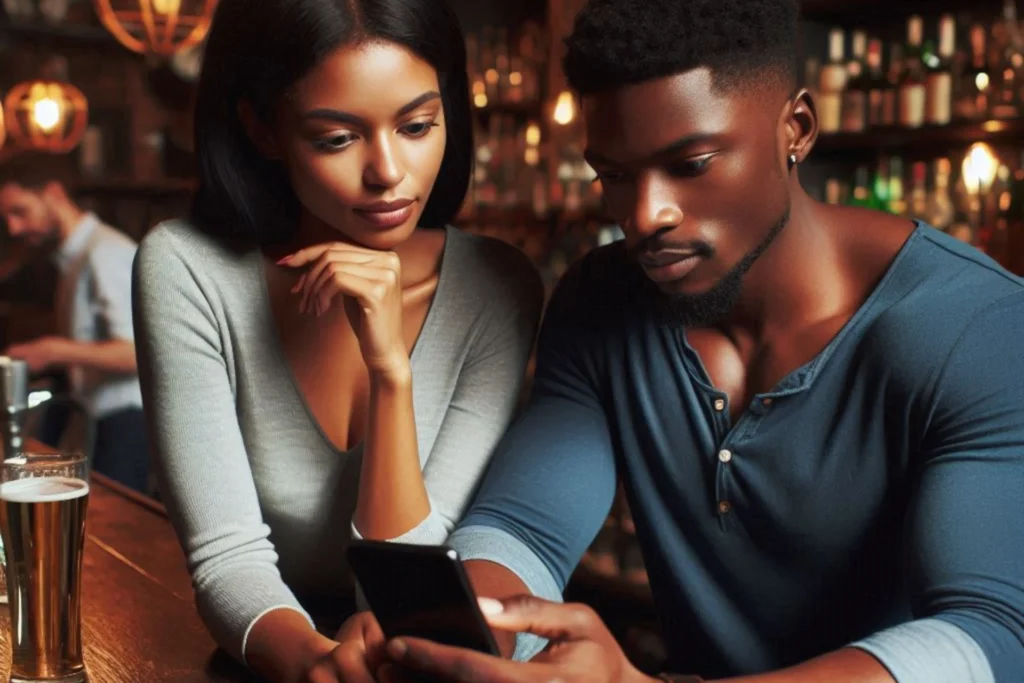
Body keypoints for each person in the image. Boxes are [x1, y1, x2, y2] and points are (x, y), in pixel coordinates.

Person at [333, 0, 1024, 682]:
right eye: (615, 175)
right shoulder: (600, 301)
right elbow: (525, 528)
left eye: (690, 164)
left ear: (798, 128)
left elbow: (990, 632)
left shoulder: (975, 327)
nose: (644, 215)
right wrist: (453, 639)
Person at [131, 0, 544, 681]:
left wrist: (391, 373)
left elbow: (405, 586)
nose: (388, 171)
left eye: (417, 125)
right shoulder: (188, 270)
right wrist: (319, 664)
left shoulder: (498, 287)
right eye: (337, 138)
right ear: (262, 129)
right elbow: (226, 557)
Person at [0, 154, 149, 493]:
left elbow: (139, 354)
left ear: (53, 193)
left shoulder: (105, 251)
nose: (14, 228)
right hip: (97, 419)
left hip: (128, 421)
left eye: (20, 212)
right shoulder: (71, 258)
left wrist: (52, 350)